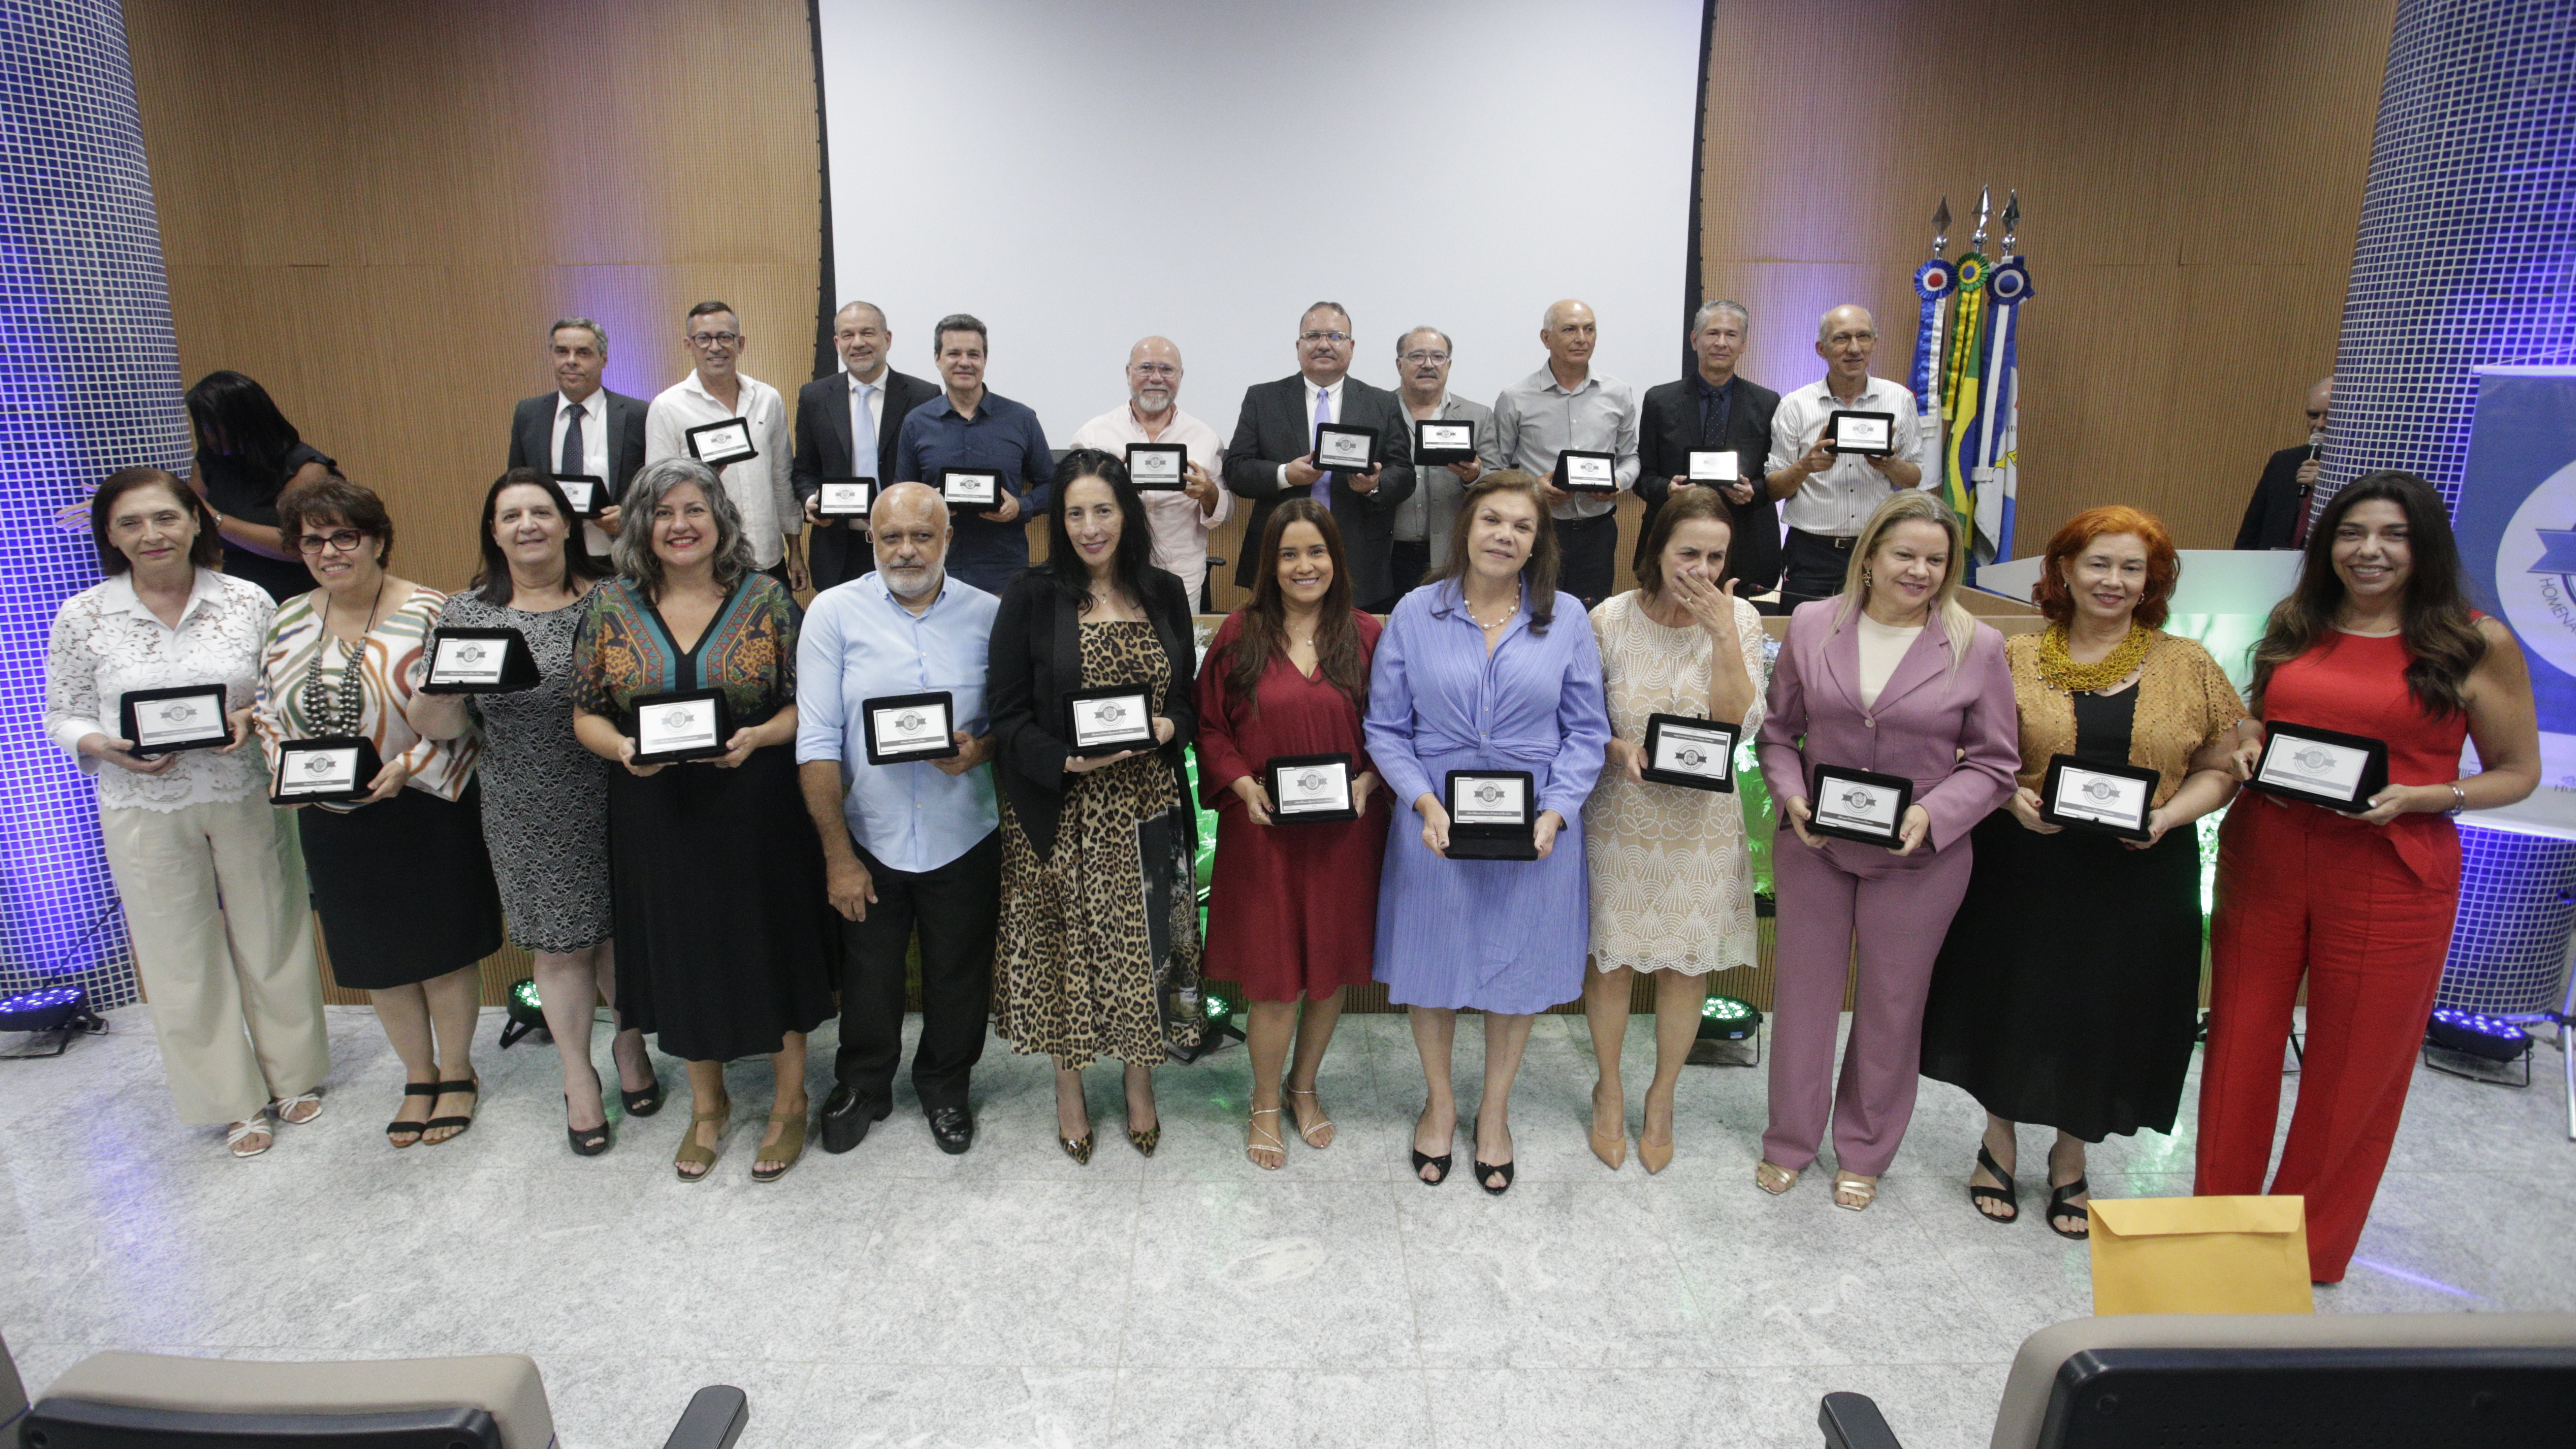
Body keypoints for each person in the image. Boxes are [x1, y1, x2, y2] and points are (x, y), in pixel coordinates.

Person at [2198, 470, 2538, 1284]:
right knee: (2239, 1047)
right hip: (2269, 853)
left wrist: (2430, 795)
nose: (2369, 551)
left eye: (2392, 535)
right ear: (2327, 543)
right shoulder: (2298, 618)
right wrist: (2246, 739)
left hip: (2390, 871)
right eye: (2352, 534)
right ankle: (2211, 1232)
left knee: (2353, 1071)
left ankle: (2301, 1252)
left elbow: (2516, 770)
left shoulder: (2470, 639)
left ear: (2423, 546)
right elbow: (2262, 714)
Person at [1919, 507, 2245, 1238]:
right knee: (2013, 995)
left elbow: (2221, 765)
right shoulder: (2011, 654)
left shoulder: (2186, 661)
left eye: (2132, 567)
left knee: (2108, 1008)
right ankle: (1996, 1139)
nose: (2113, 580)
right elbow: (1962, 746)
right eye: (2098, 563)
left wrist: (2168, 816)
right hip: (2025, 861)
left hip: (2140, 872)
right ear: (2063, 569)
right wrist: (2008, 797)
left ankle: (2071, 1155)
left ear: (2151, 581)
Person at [46, 467, 326, 1158]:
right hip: (142, 803)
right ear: (109, 534)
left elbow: (280, 687)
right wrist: (100, 744)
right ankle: (230, 1100)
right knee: (178, 955)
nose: (152, 535)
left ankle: (292, 1075)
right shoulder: (84, 614)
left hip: (243, 789)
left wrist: (248, 714)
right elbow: (63, 711)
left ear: (196, 520)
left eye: (165, 518)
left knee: (275, 929)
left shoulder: (246, 600)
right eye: (131, 523)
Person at [570, 458, 834, 1182]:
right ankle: (708, 1105)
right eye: (662, 512)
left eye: (694, 509)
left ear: (720, 518)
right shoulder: (609, 605)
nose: (679, 525)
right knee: (681, 951)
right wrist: (623, 748)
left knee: (769, 942)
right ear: (640, 525)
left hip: (756, 809)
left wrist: (757, 737)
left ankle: (788, 1100)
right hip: (655, 810)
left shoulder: (768, 599)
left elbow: (802, 705)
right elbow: (585, 712)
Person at [1754, 489, 2017, 1210]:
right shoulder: (1810, 623)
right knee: (1803, 1000)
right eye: (1903, 554)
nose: (1919, 570)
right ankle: (1789, 1139)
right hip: (1814, 843)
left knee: (1890, 1006)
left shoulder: (1976, 643)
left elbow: (1996, 763)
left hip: (1918, 859)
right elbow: (1776, 733)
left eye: (1936, 559)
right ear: (1867, 556)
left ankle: (1864, 1148)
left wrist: (1932, 814)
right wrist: (1790, 796)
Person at [1366, 471, 1611, 1195]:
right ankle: (1439, 1103)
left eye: (1522, 526)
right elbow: (1385, 726)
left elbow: (1586, 731)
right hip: (1432, 821)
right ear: (1465, 529)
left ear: (1538, 542)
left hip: (1534, 824)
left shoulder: (1564, 616)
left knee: (1517, 972)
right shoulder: (1414, 610)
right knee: (1433, 967)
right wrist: (1419, 800)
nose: (1505, 534)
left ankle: (1494, 1111)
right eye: (1492, 520)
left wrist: (1557, 810)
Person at [406, 469, 656, 1157]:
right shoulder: (467, 612)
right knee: (561, 943)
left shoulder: (614, 597)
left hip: (616, 787)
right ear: (493, 530)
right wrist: (445, 685)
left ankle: (630, 1046)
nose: (527, 525)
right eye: (510, 514)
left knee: (618, 934)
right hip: (525, 801)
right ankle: (578, 1075)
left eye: (541, 511)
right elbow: (432, 723)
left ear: (567, 522)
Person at [255, 474, 504, 1150]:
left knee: (441, 947)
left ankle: (457, 1070)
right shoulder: (285, 618)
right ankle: (416, 1075)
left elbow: (470, 712)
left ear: (376, 539)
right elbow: (264, 710)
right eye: (313, 539)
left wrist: (407, 768)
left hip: (421, 804)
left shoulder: (434, 610)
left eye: (345, 535)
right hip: (331, 817)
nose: (330, 550)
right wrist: (293, 773)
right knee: (378, 955)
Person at [987, 450, 1203, 1163]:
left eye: (1102, 510)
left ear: (1127, 514)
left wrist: (1171, 723)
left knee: (1144, 948)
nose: (1088, 526)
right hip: (1062, 811)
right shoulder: (1031, 594)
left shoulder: (1165, 589)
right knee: (1066, 955)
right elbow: (1007, 714)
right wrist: (1065, 759)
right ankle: (1069, 1086)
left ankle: (1140, 1079)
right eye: (1074, 512)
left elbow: (1185, 694)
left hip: (1147, 806)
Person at [795, 482, 1001, 1157]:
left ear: (948, 539)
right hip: (870, 832)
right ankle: (863, 1082)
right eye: (891, 537)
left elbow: (1010, 717)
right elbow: (819, 739)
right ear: (871, 540)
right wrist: (837, 855)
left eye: (921, 535)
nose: (906, 550)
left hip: (963, 830)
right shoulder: (832, 613)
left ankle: (945, 1083)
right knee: (869, 973)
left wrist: (981, 747)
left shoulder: (991, 614)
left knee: (957, 974)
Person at [1194, 499, 1390, 1169]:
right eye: (1287, 554)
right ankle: (1263, 1100)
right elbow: (1210, 726)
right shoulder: (1238, 633)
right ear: (1267, 564)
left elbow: (1394, 727)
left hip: (1343, 838)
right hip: (1264, 836)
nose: (1303, 566)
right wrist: (1242, 786)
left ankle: (1303, 1087)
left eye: (1315, 552)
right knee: (1275, 980)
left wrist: (1369, 781)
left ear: (1335, 558)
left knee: (1329, 974)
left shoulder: (1366, 635)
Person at [1581, 487, 1766, 1174]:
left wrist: (1719, 634)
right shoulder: (1609, 617)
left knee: (1685, 965)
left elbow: (1736, 724)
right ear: (1655, 550)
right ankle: (1608, 1087)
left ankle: (1661, 1096)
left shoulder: (1739, 618)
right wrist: (1613, 748)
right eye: (1687, 552)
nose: (1701, 568)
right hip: (1621, 815)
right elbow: (1580, 713)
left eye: (1715, 556)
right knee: (1612, 960)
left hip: (1699, 826)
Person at [1224, 301, 1417, 613]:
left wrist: (1373, 484)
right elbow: (1236, 470)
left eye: (1336, 336)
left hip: (1357, 558)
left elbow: (1405, 475)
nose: (1324, 344)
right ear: (1298, 345)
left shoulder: (1382, 403)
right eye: (1313, 336)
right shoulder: (1263, 399)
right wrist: (1286, 474)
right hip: (1279, 554)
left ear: (1351, 347)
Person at [1764, 306, 1926, 609]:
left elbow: (1914, 479)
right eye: (1841, 339)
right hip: (1812, 553)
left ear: (1875, 343)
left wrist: (1891, 464)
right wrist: (1805, 466)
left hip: (1878, 548)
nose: (1854, 348)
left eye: (1863, 337)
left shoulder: (1900, 400)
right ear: (1821, 349)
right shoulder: (1795, 405)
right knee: (1802, 642)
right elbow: (1774, 489)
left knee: (1875, 639)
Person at [643, 301, 804, 591]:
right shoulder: (667, 407)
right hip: (706, 564)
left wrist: (796, 550)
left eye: (725, 337)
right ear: (688, 345)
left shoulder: (768, 399)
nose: (715, 347)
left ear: (740, 344)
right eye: (703, 338)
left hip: (768, 557)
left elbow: (782, 478)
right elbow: (658, 497)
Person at [890, 313, 1055, 596]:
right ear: (938, 358)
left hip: (1003, 572)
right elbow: (900, 495)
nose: (964, 362)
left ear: (985, 361)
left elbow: (1053, 486)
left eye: (974, 354)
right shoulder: (916, 422)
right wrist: (929, 504)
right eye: (954, 353)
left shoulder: (1021, 418)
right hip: (934, 570)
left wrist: (1021, 506)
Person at [1493, 299, 1641, 611]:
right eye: (1570, 330)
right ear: (1546, 338)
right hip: (1540, 530)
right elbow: (1497, 468)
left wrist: (1618, 481)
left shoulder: (1618, 392)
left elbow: (1632, 458)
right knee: (1535, 613)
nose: (1582, 338)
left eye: (1590, 330)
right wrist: (1534, 487)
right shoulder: (1515, 397)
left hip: (1598, 531)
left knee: (1593, 616)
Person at [1068, 336, 1233, 607]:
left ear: (1180, 376)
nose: (1156, 378)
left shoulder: (1205, 437)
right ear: (1129, 373)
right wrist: (1110, 487)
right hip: (1106, 576)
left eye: (1167, 369)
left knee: (1178, 650)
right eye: (1146, 368)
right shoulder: (1093, 435)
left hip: (1181, 578)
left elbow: (1224, 513)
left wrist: (1209, 493)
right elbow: (1070, 506)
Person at [1638, 299, 1784, 604]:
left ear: (1743, 344)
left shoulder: (1768, 403)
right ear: (1695, 340)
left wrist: (1752, 491)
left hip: (1744, 544)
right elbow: (1643, 474)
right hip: (1675, 543)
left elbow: (1774, 477)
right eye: (1712, 333)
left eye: (1731, 335)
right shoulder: (1660, 400)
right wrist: (1667, 489)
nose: (1721, 343)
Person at [791, 300, 940, 593]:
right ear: (837, 343)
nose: (858, 343)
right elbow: (804, 470)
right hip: (838, 547)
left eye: (868, 333)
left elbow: (930, 470)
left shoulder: (924, 395)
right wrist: (810, 499)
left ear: (887, 339)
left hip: (906, 548)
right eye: (847, 335)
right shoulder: (814, 397)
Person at [183, 371, 337, 602]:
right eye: (203, 427)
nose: (207, 436)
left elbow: (299, 546)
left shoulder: (305, 468)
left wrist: (217, 520)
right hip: (239, 592)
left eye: (213, 427)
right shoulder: (210, 459)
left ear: (245, 423)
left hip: (300, 593)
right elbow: (192, 514)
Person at [505, 316, 649, 558]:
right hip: (551, 557)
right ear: (551, 356)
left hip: (618, 557)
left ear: (604, 359)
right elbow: (515, 486)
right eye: (562, 352)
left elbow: (655, 489)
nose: (571, 361)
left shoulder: (637, 414)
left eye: (583, 353)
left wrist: (630, 517)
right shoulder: (529, 414)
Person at [1388, 326, 1502, 599]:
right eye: (1417, 356)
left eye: (1438, 357)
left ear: (1449, 365)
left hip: (1453, 555)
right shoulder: (1378, 409)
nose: (1428, 365)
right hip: (1388, 554)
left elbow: (1498, 480)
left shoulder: (1478, 416)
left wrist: (1474, 477)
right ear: (1399, 364)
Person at [2233, 377, 2334, 550]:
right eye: (2313, 416)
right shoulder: (2284, 461)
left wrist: (2326, 487)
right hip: (2275, 566)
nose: (2320, 424)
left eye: (2330, 415)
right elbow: (2252, 530)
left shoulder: (2366, 468)